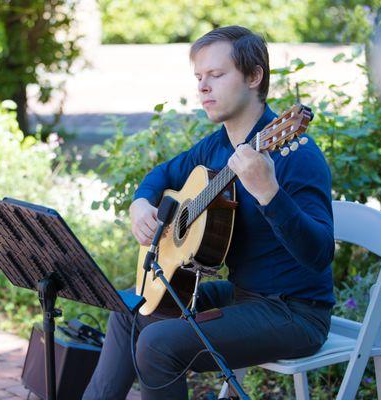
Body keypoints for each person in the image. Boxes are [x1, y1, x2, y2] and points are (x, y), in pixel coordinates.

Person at [82, 25, 335, 400]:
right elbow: (163, 174)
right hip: (243, 296)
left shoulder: (294, 154)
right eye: (199, 77)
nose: (203, 87)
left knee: (157, 344)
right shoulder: (217, 147)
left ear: (254, 76)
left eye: (216, 75)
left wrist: (270, 193)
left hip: (295, 313)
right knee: (128, 309)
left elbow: (319, 255)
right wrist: (140, 204)